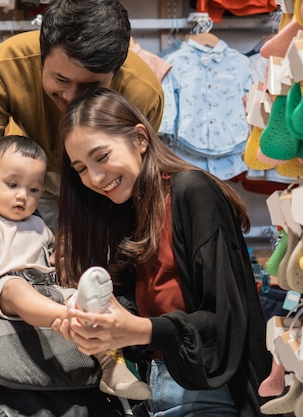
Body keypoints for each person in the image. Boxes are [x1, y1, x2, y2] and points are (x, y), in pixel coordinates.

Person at [51, 87, 272, 416]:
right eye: (81, 168)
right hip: (155, 389)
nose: (95, 177)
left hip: (213, 391)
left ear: (140, 139)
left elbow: (226, 323)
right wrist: (95, 321)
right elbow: (137, 307)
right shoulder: (127, 209)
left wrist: (135, 329)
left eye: (102, 156)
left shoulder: (192, 192)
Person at [0, 0, 165, 282]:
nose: (72, 97)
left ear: (116, 72)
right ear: (41, 57)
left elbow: (130, 182)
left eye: (90, 87)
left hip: (101, 198)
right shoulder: (2, 69)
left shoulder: (143, 93)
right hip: (31, 187)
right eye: (60, 79)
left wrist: (83, 233)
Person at [0, 134, 152, 401]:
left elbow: (52, 258)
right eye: (12, 184)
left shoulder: (39, 226)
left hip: (45, 288)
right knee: (16, 288)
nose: (22, 196)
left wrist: (62, 259)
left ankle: (112, 368)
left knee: (77, 294)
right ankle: (72, 317)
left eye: (34, 190)